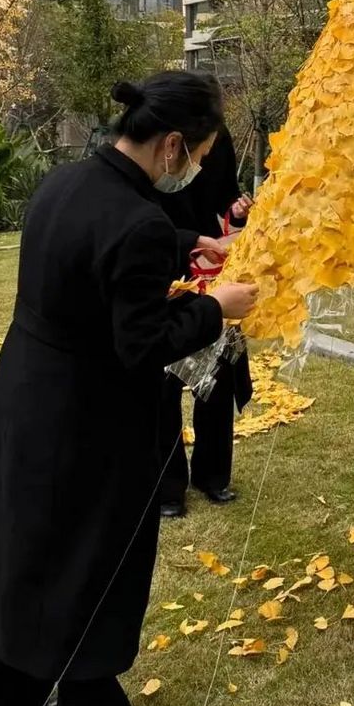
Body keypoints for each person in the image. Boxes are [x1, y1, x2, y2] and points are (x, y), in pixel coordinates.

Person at [0, 73, 259, 706]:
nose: (198, 166)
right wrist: (219, 307)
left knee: (24, 551)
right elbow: (142, 341)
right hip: (86, 415)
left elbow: (106, 243)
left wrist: (192, 247)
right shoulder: (136, 221)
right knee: (90, 560)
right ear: (173, 144)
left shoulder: (66, 182)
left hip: (26, 394)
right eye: (199, 153)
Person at [157, 122, 254, 518]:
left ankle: (213, 476)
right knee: (162, 385)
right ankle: (167, 487)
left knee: (218, 376)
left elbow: (225, 197)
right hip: (164, 273)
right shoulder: (156, 145)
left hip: (214, 272)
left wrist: (235, 211)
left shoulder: (219, 135)